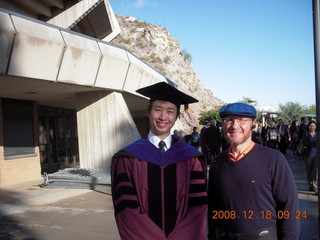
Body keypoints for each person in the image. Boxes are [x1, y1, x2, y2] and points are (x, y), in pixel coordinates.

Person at [111, 82, 208, 240]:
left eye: (170, 111)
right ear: (149, 113)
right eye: (157, 110)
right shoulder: (128, 158)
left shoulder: (190, 159)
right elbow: (126, 210)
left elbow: (198, 207)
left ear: (176, 116)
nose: (163, 117)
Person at [208, 102, 299, 240]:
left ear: (253, 125)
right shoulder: (217, 163)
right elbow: (213, 208)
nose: (234, 126)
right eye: (228, 120)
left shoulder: (273, 159)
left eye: (242, 120)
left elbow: (289, 208)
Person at [301, 120, 318, 193]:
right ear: (308, 126)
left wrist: (312, 144)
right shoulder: (306, 134)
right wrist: (313, 144)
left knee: (316, 172)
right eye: (311, 126)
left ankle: (316, 188)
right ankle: (310, 184)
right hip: (308, 155)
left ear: (316, 127)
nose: (312, 127)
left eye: (313, 126)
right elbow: (305, 142)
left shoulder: (318, 134)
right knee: (309, 171)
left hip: (316, 156)